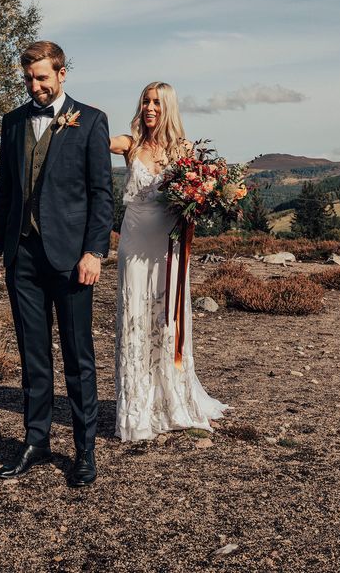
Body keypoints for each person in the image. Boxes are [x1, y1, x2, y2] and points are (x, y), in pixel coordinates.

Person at [0, 41, 113, 486]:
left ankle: (84, 450)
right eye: (29, 79)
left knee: (78, 357)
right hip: (23, 257)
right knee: (33, 356)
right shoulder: (13, 122)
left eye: (42, 78)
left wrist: (94, 252)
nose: (35, 86)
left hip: (72, 259)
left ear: (61, 74)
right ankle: (35, 442)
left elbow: (101, 195)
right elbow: (4, 192)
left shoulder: (90, 120)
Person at [109, 81, 227, 442]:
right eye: (145, 100)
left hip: (169, 247)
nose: (150, 107)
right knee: (135, 316)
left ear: (168, 107)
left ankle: (170, 397)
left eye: (157, 102)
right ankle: (136, 406)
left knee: (166, 318)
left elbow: (204, 194)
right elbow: (102, 141)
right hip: (134, 240)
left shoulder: (184, 151)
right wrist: (74, 124)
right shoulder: (130, 145)